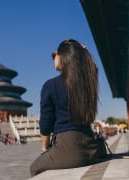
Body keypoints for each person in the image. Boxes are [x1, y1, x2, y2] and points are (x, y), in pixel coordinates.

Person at [30, 39, 99, 176]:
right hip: (92, 147)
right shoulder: (87, 83)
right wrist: (82, 52)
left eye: (54, 55)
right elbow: (93, 69)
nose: (53, 58)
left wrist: (45, 147)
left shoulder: (50, 85)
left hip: (69, 148)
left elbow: (45, 124)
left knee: (34, 168)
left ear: (64, 56)